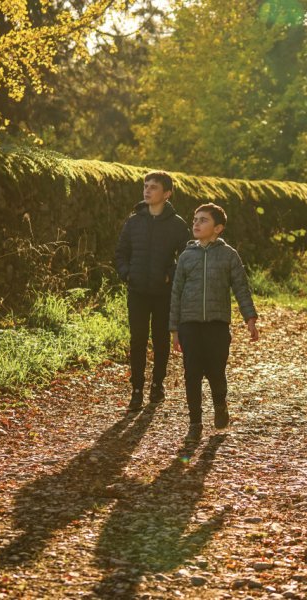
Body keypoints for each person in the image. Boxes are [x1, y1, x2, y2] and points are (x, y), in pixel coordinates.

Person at [170, 203, 259, 441]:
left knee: (216, 371)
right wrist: (174, 328)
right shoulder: (187, 256)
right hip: (189, 323)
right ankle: (195, 421)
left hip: (217, 324)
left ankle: (220, 405)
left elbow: (241, 287)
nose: (196, 224)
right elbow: (176, 292)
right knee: (192, 373)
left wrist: (249, 318)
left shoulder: (229, 255)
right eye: (195, 219)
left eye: (203, 220)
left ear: (218, 228)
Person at [115, 171, 190, 411]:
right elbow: (120, 253)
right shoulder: (133, 221)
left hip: (163, 292)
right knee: (137, 340)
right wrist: (127, 273)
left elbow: (187, 257)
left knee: (160, 341)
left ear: (167, 193)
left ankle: (157, 384)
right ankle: (136, 390)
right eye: (145, 186)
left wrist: (170, 273)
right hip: (137, 291)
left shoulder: (178, 225)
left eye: (153, 187)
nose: (147, 190)